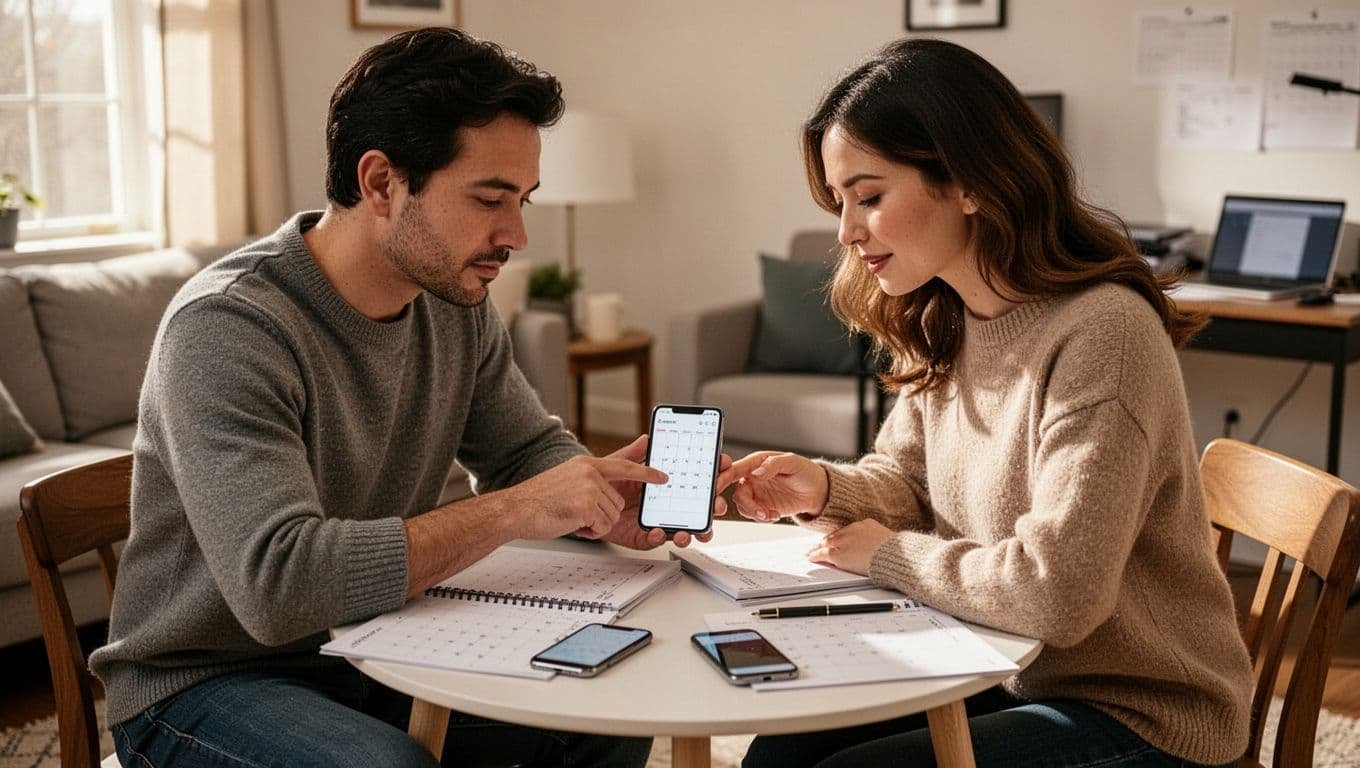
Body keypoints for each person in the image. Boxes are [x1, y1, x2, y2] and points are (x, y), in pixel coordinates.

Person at [91, 28, 714, 768]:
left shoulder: (453, 300)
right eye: (490, 198)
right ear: (382, 184)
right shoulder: (230, 326)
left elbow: (523, 451)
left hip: (374, 641)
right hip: (204, 681)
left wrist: (605, 503)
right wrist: (518, 509)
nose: (515, 233)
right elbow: (280, 585)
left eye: (522, 200)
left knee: (602, 710)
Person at [719, 38, 1253, 768]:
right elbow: (908, 484)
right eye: (839, 203)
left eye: (869, 197)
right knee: (779, 752)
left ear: (969, 182)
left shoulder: (1104, 333)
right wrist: (823, 487)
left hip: (1140, 710)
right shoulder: (948, 316)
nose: (846, 232)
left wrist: (891, 558)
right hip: (1006, 666)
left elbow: (1059, 594)